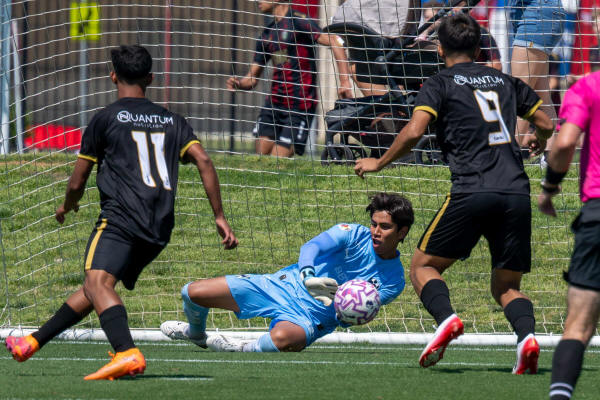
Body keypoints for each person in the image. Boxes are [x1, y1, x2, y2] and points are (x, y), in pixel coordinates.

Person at [4, 45, 238, 380]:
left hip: (121, 218)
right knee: (97, 287)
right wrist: (219, 216)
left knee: (97, 281)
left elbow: (77, 181)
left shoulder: (106, 118)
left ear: (113, 76)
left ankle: (126, 351)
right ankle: (33, 342)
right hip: (159, 227)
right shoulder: (173, 121)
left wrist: (67, 205)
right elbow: (203, 160)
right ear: (151, 78)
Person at [354, 14, 554, 373]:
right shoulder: (506, 81)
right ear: (478, 49)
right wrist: (539, 140)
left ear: (440, 48)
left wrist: (379, 162)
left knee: (423, 266)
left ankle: (447, 319)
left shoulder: (439, 83)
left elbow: (415, 131)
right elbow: (546, 123)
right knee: (507, 285)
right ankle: (527, 338)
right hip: (515, 192)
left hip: (472, 189)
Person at [160, 193, 413, 352]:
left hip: (309, 318)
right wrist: (308, 277)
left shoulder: (394, 281)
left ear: (402, 232)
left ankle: (240, 348)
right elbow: (311, 247)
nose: (375, 231)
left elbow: (351, 317)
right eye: (373, 224)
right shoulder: (352, 233)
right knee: (192, 292)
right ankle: (195, 333)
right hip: (281, 285)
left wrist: (348, 312)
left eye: (384, 227)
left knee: (283, 339)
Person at [538, 72, 600, 400]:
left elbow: (564, 143)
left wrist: (549, 187)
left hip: (597, 216)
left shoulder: (588, 87)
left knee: (578, 325)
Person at [227, 0, 352, 157]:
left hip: (299, 105)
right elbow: (252, 78)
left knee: (277, 161)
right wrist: (239, 83)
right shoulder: (267, 34)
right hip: (273, 104)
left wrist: (345, 81)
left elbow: (335, 41)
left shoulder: (299, 21)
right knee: (260, 158)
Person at [508, 0, 565, 154]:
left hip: (536, 15)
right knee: (542, 96)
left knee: (518, 95)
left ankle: (509, 158)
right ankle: (550, 160)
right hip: (535, 14)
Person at [421, 1, 502, 71]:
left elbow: (497, 65)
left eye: (460, 5)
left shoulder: (481, 32)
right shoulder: (439, 33)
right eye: (452, 6)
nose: (455, 9)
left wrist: (470, 72)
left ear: (470, 8)